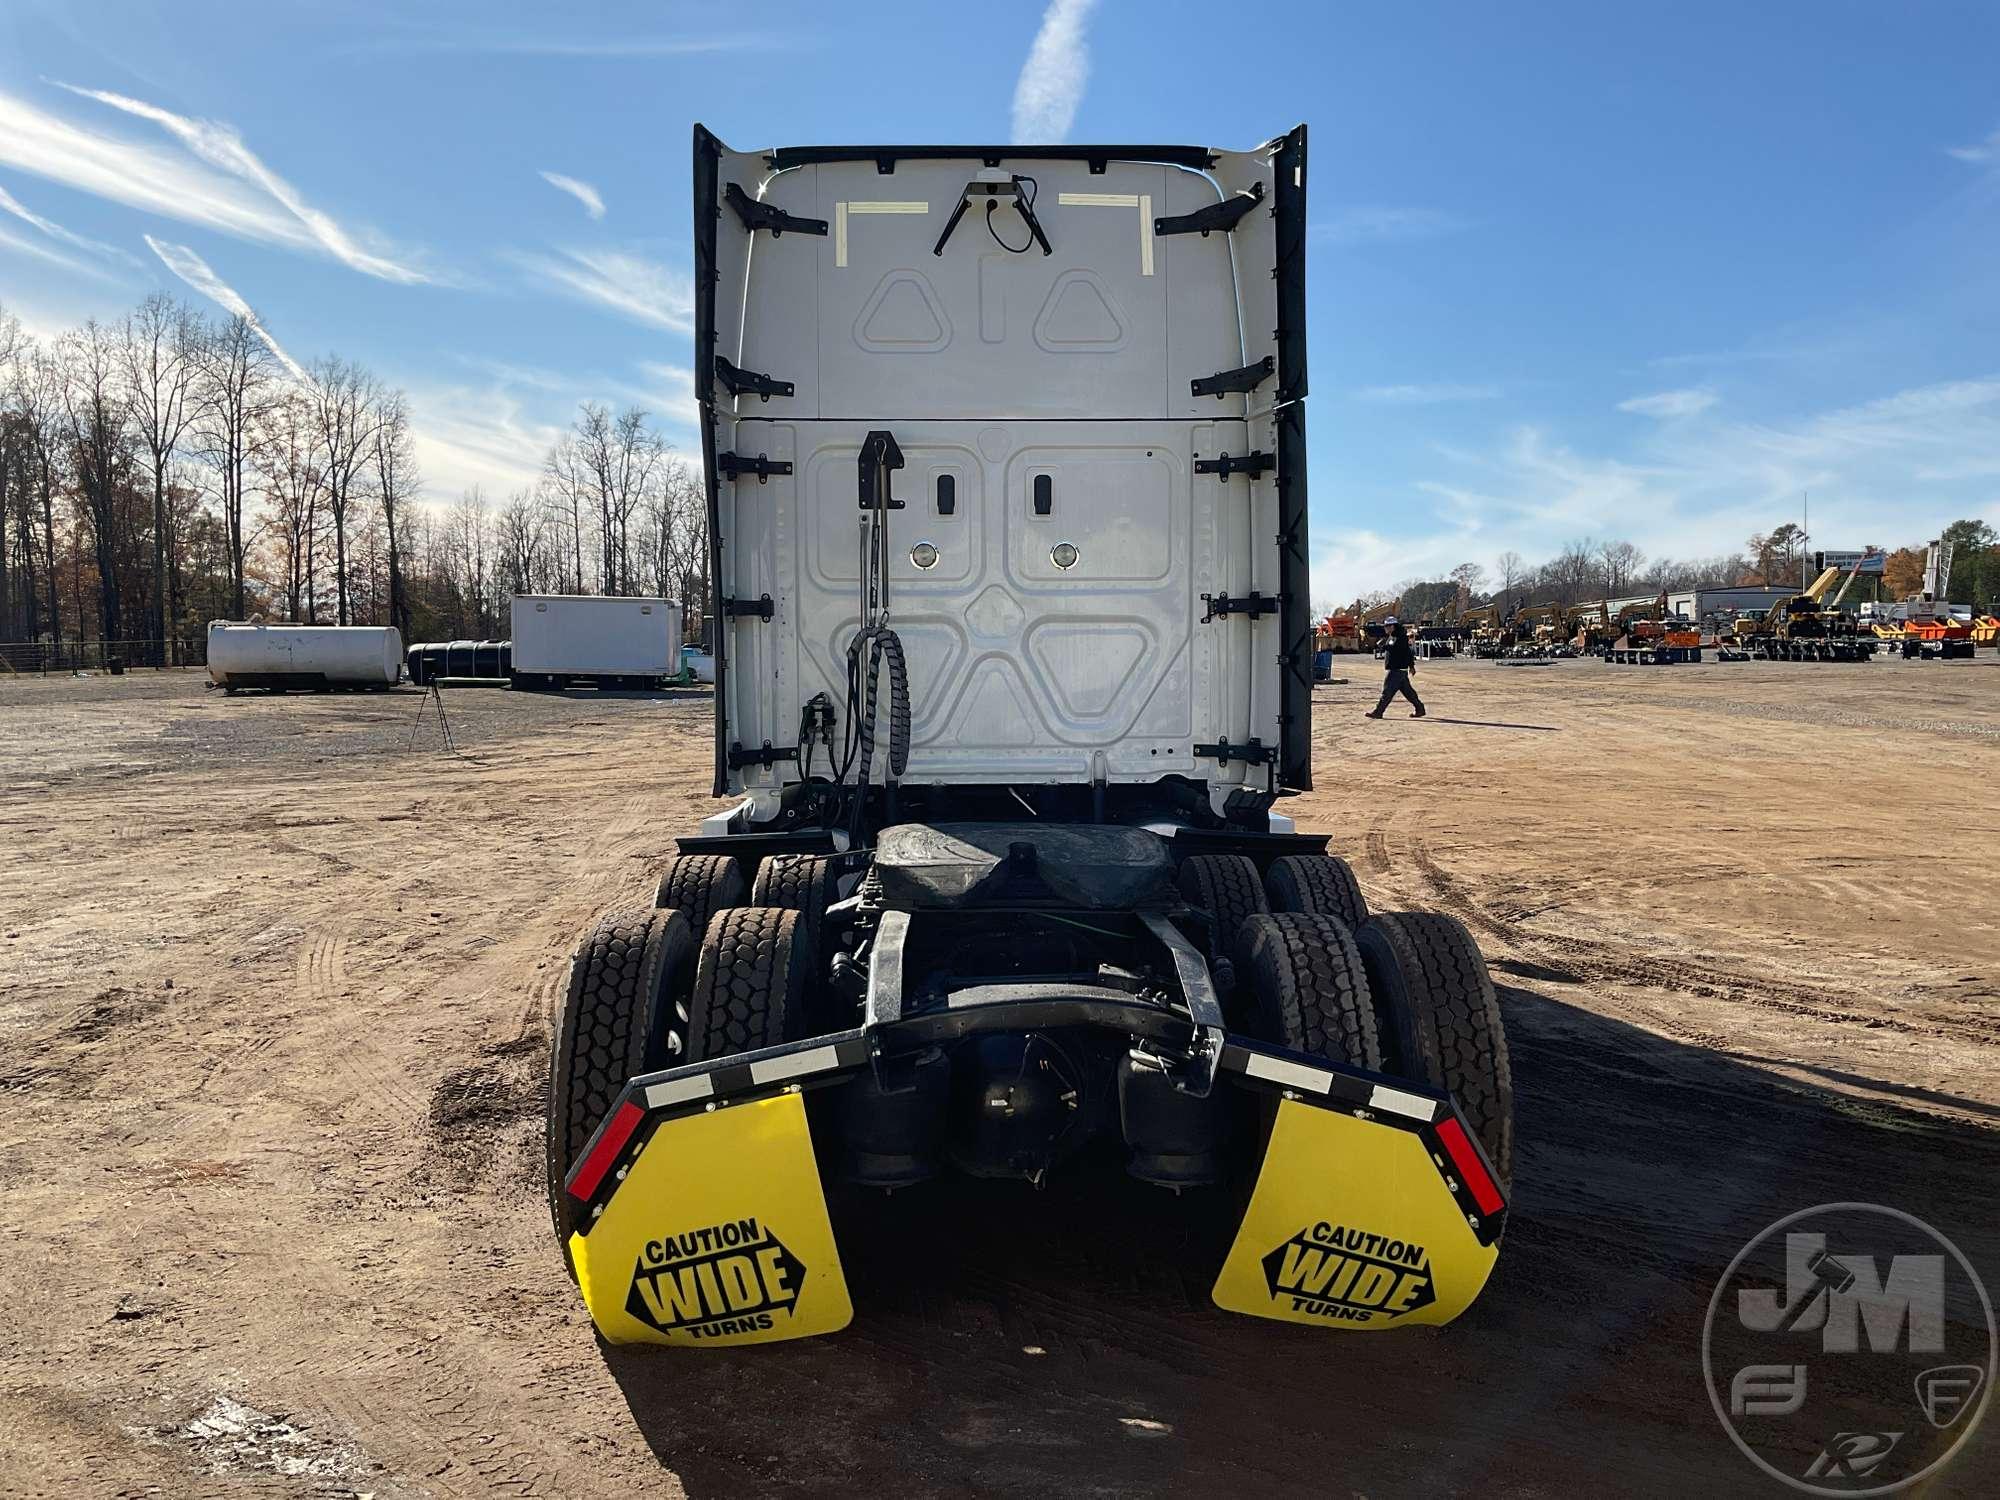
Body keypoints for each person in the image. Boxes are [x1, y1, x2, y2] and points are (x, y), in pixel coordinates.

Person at [1366, 621, 1425, 719]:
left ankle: (1378, 712)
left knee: (1387, 692)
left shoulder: (1398, 637)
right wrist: (1411, 666)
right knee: (1409, 693)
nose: (1384, 628)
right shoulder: (1396, 636)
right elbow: (1406, 652)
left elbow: (1397, 650)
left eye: (1386, 626)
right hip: (1400, 670)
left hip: (1396, 670)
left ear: (1392, 627)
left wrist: (1383, 646)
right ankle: (1420, 709)